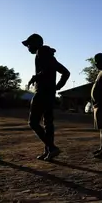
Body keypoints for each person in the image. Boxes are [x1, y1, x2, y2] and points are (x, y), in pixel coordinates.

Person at [22, 33, 70, 161]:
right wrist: (56, 87)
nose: (28, 48)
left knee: (33, 122)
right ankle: (49, 151)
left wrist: (36, 77)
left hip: (42, 93)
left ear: (36, 44)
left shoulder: (41, 52)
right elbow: (65, 72)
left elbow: (48, 70)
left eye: (29, 45)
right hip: (49, 94)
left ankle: (51, 148)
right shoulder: (49, 55)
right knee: (48, 123)